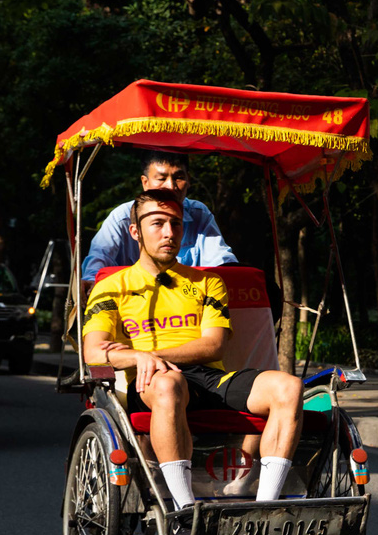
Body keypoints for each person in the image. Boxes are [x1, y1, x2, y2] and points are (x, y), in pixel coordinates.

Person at [81, 189, 303, 516]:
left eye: (176, 223)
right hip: (151, 382)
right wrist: (140, 358)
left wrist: (147, 350)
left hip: (208, 376)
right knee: (169, 384)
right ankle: (183, 510)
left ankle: (264, 508)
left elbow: (212, 345)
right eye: (157, 223)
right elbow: (94, 350)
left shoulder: (207, 282)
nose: (169, 232)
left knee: (289, 387)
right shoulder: (112, 286)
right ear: (135, 232)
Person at [81, 153, 236, 282]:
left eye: (178, 178)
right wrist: (91, 284)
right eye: (161, 178)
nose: (170, 186)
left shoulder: (199, 214)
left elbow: (222, 262)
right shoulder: (121, 218)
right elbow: (96, 265)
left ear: (188, 180)